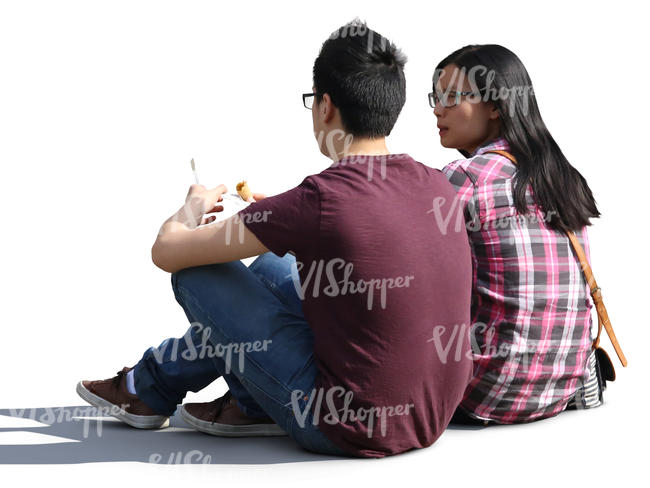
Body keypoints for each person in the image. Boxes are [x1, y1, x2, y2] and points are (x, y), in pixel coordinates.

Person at [77, 20, 474, 459]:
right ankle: (152, 387)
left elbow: (167, 253)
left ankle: (229, 400)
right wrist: (279, 221)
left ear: (325, 106)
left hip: (343, 426)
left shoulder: (319, 198)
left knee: (199, 275)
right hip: (430, 419)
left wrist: (190, 209)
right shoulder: (437, 184)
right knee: (270, 267)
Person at [427, 44, 602, 425]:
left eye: (453, 97)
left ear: (495, 105)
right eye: (436, 98)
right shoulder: (563, 178)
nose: (439, 109)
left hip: (482, 392)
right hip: (559, 388)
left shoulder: (465, 177)